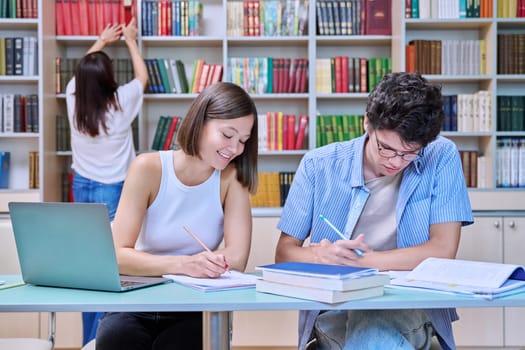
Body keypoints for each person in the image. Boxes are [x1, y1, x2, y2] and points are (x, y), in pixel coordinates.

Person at [276, 72, 474, 350]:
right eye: (387, 148)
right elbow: (284, 254)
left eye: (409, 154)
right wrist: (319, 254)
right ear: (367, 122)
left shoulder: (441, 155)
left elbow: (442, 249)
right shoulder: (318, 165)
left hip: (407, 304)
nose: (396, 162)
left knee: (373, 330)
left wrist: (364, 261)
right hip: (336, 307)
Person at [95, 81, 259, 350]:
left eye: (243, 140)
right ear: (200, 122)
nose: (235, 149)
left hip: (195, 303)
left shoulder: (233, 180)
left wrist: (192, 266)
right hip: (137, 298)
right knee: (117, 338)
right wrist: (185, 264)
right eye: (227, 135)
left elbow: (237, 259)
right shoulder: (147, 168)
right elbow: (116, 255)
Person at [65, 19, 148, 345]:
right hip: (112, 190)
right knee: (110, 269)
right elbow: (142, 77)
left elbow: (79, 76)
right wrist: (129, 40)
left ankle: (91, 340)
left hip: (81, 186)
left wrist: (100, 40)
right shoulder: (120, 102)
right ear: (109, 78)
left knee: (88, 268)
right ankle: (102, 341)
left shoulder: (74, 100)